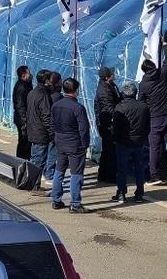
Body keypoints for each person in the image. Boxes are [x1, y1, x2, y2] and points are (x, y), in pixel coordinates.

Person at [140, 31, 167, 186]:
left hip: (155, 119)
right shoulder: (164, 74)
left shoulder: (144, 84)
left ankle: (155, 175)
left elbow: (141, 102)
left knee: (154, 148)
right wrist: (165, 45)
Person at [49, 78, 91, 214]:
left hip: (60, 142)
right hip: (74, 144)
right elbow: (84, 129)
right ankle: (75, 203)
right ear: (76, 90)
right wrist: (85, 145)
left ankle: (55, 199)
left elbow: (52, 124)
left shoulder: (56, 105)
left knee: (59, 171)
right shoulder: (78, 107)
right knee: (76, 174)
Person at [112, 81, 151, 203]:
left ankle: (121, 192)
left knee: (122, 169)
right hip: (138, 141)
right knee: (139, 168)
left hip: (123, 142)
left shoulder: (120, 107)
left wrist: (115, 139)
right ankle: (139, 193)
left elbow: (116, 127)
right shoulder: (143, 107)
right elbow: (147, 126)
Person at [25, 70, 53, 189]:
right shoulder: (43, 95)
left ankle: (31, 183)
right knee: (39, 160)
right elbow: (46, 115)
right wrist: (52, 132)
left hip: (33, 130)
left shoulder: (33, 92)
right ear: (46, 81)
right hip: (40, 132)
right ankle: (34, 186)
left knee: (35, 158)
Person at [93, 67, 121, 183]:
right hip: (107, 123)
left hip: (106, 123)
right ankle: (109, 175)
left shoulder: (109, 86)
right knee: (110, 150)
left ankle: (103, 174)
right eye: (112, 74)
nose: (114, 75)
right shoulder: (104, 91)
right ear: (107, 77)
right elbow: (109, 108)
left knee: (107, 149)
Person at [11, 65, 33, 159]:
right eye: (28, 73)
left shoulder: (26, 84)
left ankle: (25, 159)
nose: (30, 75)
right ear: (23, 75)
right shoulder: (21, 87)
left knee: (26, 142)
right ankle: (21, 160)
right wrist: (24, 121)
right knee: (23, 141)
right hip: (22, 119)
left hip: (24, 118)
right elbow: (20, 106)